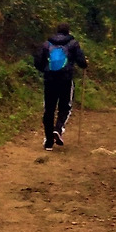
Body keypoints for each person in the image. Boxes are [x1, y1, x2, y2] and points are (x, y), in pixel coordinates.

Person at [32, 22, 88, 150]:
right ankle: (58, 129)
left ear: (57, 31)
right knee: (65, 107)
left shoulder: (47, 44)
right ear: (68, 32)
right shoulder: (73, 44)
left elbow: (38, 62)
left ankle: (48, 142)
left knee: (49, 109)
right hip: (65, 80)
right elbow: (82, 62)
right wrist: (84, 64)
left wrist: (46, 71)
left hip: (49, 80)